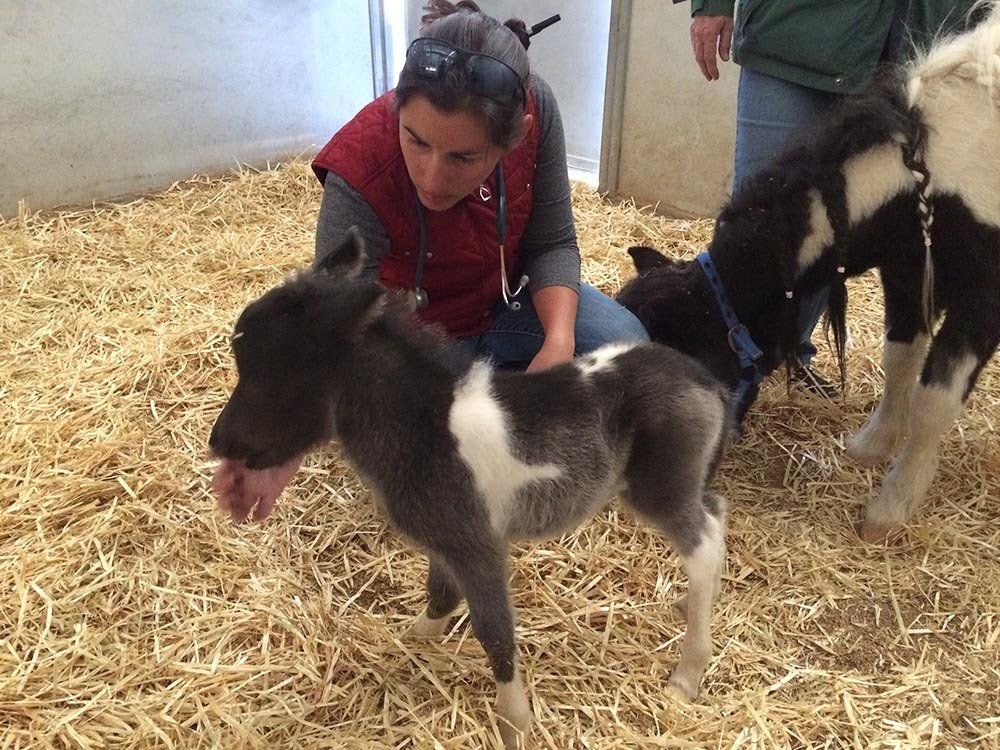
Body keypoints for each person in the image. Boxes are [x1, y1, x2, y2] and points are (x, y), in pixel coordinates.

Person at [312, 0, 649, 373]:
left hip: (510, 301)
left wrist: (558, 344)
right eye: (416, 140)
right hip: (417, 330)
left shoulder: (539, 109)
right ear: (397, 107)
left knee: (627, 346)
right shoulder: (361, 162)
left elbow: (551, 242)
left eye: (463, 157)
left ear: (518, 134)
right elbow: (338, 327)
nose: (432, 178)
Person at [683, 0, 978, 396]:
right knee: (758, 227)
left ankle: (789, 354)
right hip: (797, 33)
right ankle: (713, 366)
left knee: (844, 227)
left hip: (924, 60)